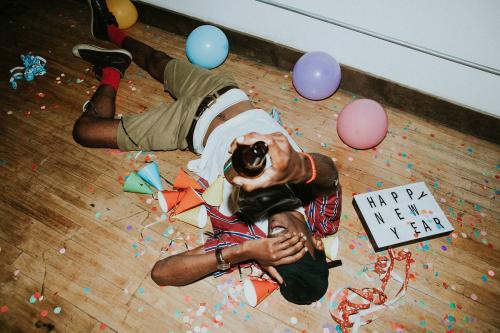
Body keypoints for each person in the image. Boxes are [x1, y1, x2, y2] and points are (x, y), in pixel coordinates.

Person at [73, 0, 342, 305]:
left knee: (85, 132)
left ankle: (112, 68)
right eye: (295, 247)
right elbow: (331, 176)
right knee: (155, 60)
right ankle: (107, 29)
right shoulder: (320, 216)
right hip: (222, 92)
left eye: (280, 255)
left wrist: (243, 252)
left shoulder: (247, 241)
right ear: (316, 242)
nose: (281, 241)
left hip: (185, 127)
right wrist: (299, 167)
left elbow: (161, 273)